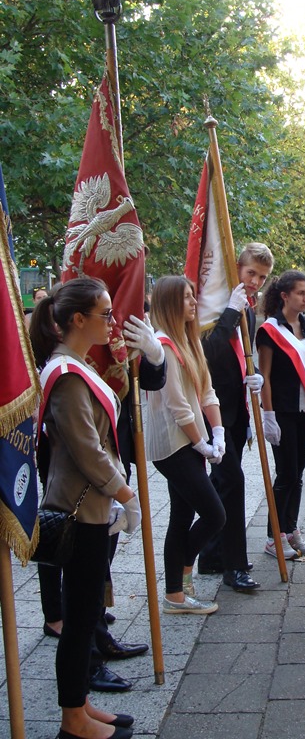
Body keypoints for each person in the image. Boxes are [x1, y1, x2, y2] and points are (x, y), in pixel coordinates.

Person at [30, 278, 141, 739]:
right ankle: (72, 721)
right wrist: (125, 493)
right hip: (80, 509)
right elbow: (86, 448)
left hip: (93, 506)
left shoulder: (76, 365)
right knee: (79, 619)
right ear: (78, 320)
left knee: (88, 610)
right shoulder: (67, 375)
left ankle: (80, 703)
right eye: (105, 314)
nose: (112, 322)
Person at [145, 276, 226, 614]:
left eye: (193, 296)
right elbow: (177, 406)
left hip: (190, 440)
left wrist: (218, 431)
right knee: (215, 514)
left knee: (181, 516)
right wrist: (201, 443)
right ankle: (183, 569)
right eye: (186, 297)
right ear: (169, 303)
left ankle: (175, 595)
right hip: (173, 443)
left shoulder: (190, 340)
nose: (194, 302)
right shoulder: (162, 345)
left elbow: (206, 391)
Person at [197, 242, 274, 592]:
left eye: (262, 277)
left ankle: (212, 554)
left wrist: (251, 375)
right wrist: (230, 311)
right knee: (233, 483)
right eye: (251, 273)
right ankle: (234, 565)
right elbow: (207, 353)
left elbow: (241, 353)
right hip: (211, 411)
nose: (255, 281)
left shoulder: (248, 309)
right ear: (236, 268)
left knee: (220, 483)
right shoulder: (215, 305)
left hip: (236, 409)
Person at [256, 270, 305, 559]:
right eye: (301, 293)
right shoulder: (269, 331)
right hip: (283, 411)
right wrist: (268, 415)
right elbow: (265, 376)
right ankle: (274, 536)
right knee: (286, 474)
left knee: (297, 475)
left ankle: (291, 528)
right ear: (284, 296)